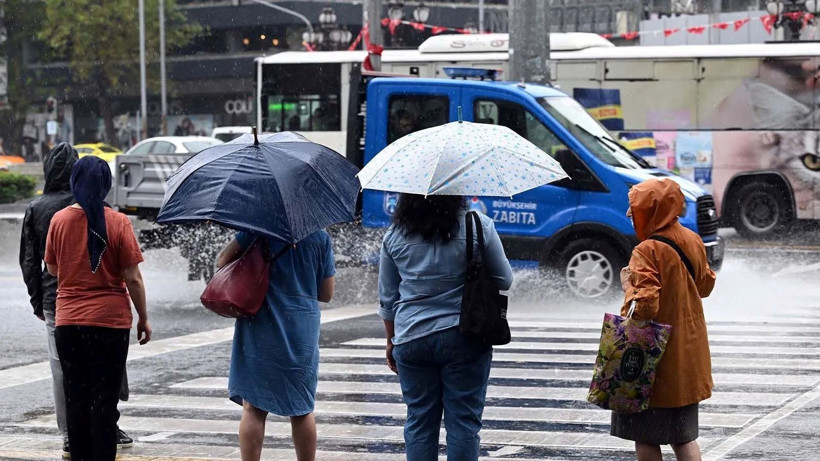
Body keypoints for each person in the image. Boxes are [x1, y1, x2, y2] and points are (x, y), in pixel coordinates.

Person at [378, 194, 513, 461]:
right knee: (463, 422)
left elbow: (387, 299)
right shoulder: (478, 226)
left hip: (411, 338)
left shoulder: (394, 235)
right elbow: (504, 279)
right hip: (464, 334)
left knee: (419, 422)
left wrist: (391, 340)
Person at [19, 143, 134, 459]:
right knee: (107, 372)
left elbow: (32, 263)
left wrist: (37, 301)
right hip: (107, 310)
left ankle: (71, 435)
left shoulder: (40, 209)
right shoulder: (98, 205)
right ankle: (109, 425)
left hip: (59, 303)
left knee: (68, 377)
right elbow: (129, 271)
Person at [45, 155, 151, 461]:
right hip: (110, 322)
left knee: (76, 398)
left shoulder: (60, 220)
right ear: (106, 185)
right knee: (104, 401)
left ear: (75, 182)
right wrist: (143, 318)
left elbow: (52, 269)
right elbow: (133, 277)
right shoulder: (118, 222)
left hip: (69, 322)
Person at [613, 178, 717, 461]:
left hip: (654, 360)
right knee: (683, 437)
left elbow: (645, 307)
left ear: (651, 210)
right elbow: (705, 287)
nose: (632, 216)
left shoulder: (645, 251)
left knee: (646, 438)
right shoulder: (692, 239)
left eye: (635, 210)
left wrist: (628, 285)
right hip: (688, 354)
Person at [217, 229, 336, 461]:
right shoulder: (320, 238)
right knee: (302, 408)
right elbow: (326, 293)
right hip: (301, 328)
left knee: (253, 407)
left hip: (259, 321)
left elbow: (223, 262)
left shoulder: (255, 230)